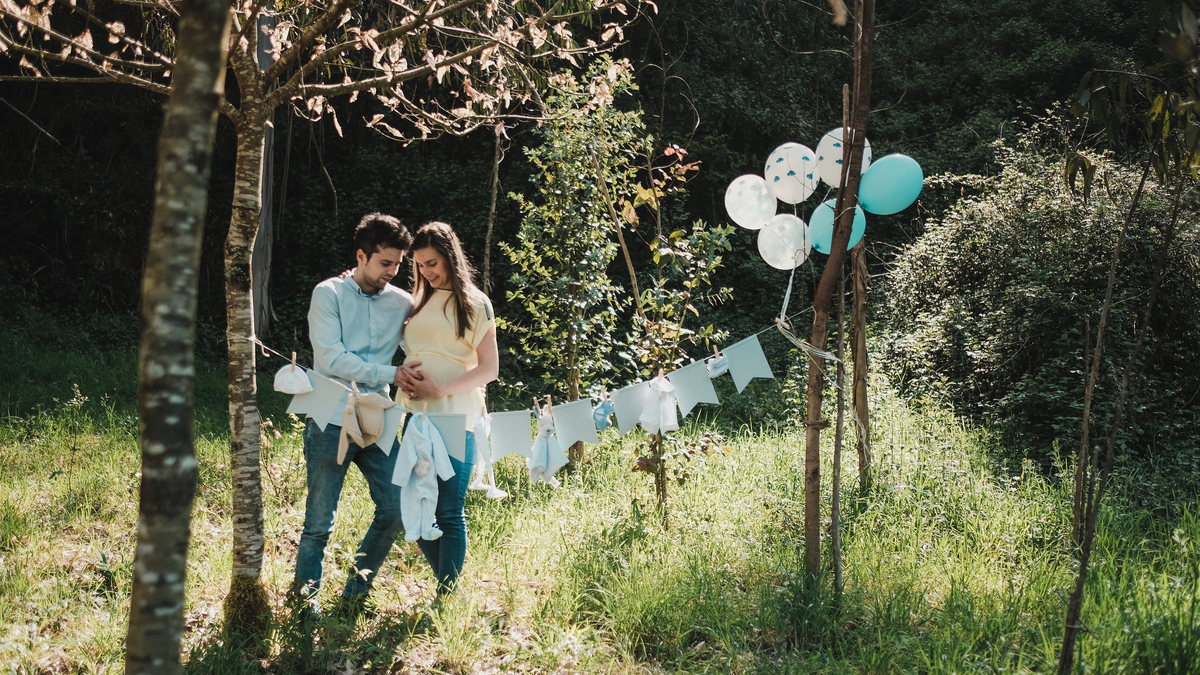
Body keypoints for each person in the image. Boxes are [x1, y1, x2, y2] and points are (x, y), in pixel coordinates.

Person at [294, 213, 418, 613]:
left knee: (397, 508)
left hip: (378, 418)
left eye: (397, 264)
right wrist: (391, 373)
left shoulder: (403, 303)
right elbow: (332, 358)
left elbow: (428, 338)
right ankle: (305, 607)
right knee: (319, 522)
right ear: (361, 256)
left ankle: (354, 595)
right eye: (385, 262)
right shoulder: (327, 294)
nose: (392, 272)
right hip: (329, 415)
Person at [395, 221, 498, 596]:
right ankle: (448, 588)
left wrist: (438, 389)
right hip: (416, 416)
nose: (427, 271)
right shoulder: (417, 302)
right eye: (420, 265)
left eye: (433, 263)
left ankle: (446, 595)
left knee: (448, 510)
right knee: (413, 504)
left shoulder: (475, 303)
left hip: (456, 416)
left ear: (451, 258)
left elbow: (489, 368)